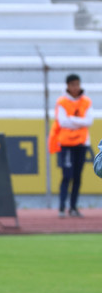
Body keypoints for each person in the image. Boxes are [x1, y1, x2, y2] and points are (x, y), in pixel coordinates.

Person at [49, 74, 93, 218]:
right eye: (73, 84)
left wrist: (72, 120)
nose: (76, 87)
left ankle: (73, 207)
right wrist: (79, 121)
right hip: (66, 144)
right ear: (68, 85)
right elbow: (62, 122)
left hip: (81, 143)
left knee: (77, 176)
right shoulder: (61, 101)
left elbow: (89, 121)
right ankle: (62, 207)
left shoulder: (86, 101)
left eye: (77, 84)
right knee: (66, 175)